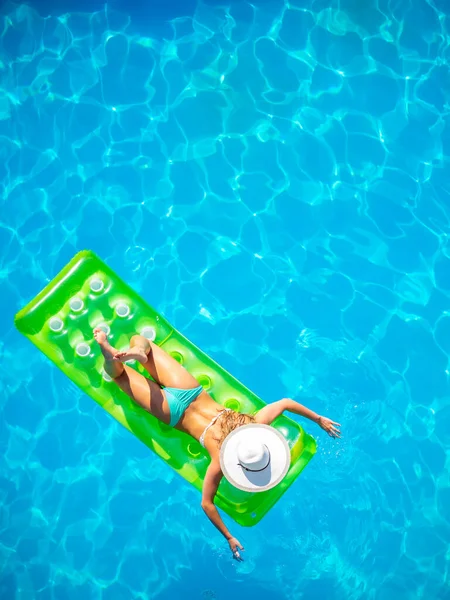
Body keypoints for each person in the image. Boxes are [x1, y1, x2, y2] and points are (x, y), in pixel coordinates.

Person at [93, 328, 341, 560]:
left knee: (142, 341)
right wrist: (229, 536)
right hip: (175, 414)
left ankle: (138, 352)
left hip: (191, 391)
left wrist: (319, 419)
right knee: (119, 375)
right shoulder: (219, 462)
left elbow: (286, 402)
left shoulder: (255, 422)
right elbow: (206, 504)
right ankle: (107, 349)